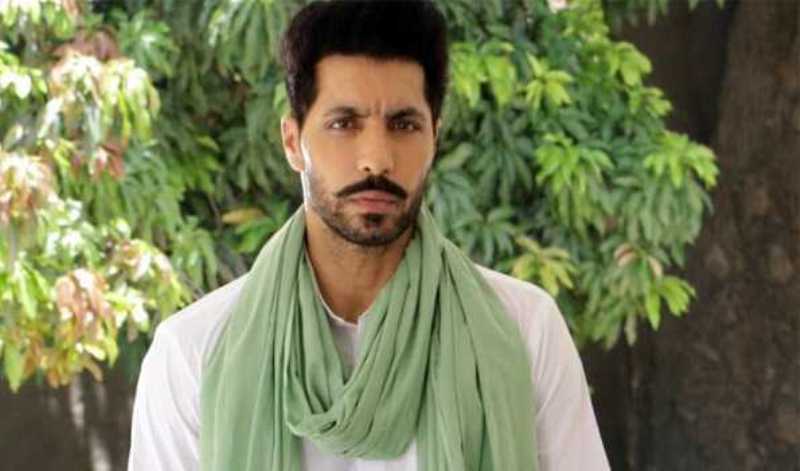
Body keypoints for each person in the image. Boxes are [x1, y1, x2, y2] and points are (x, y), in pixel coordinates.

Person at [127, 1, 610, 470]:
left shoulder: (524, 330)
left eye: (404, 124)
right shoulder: (194, 352)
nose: (376, 159)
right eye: (344, 124)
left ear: (435, 139)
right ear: (293, 142)